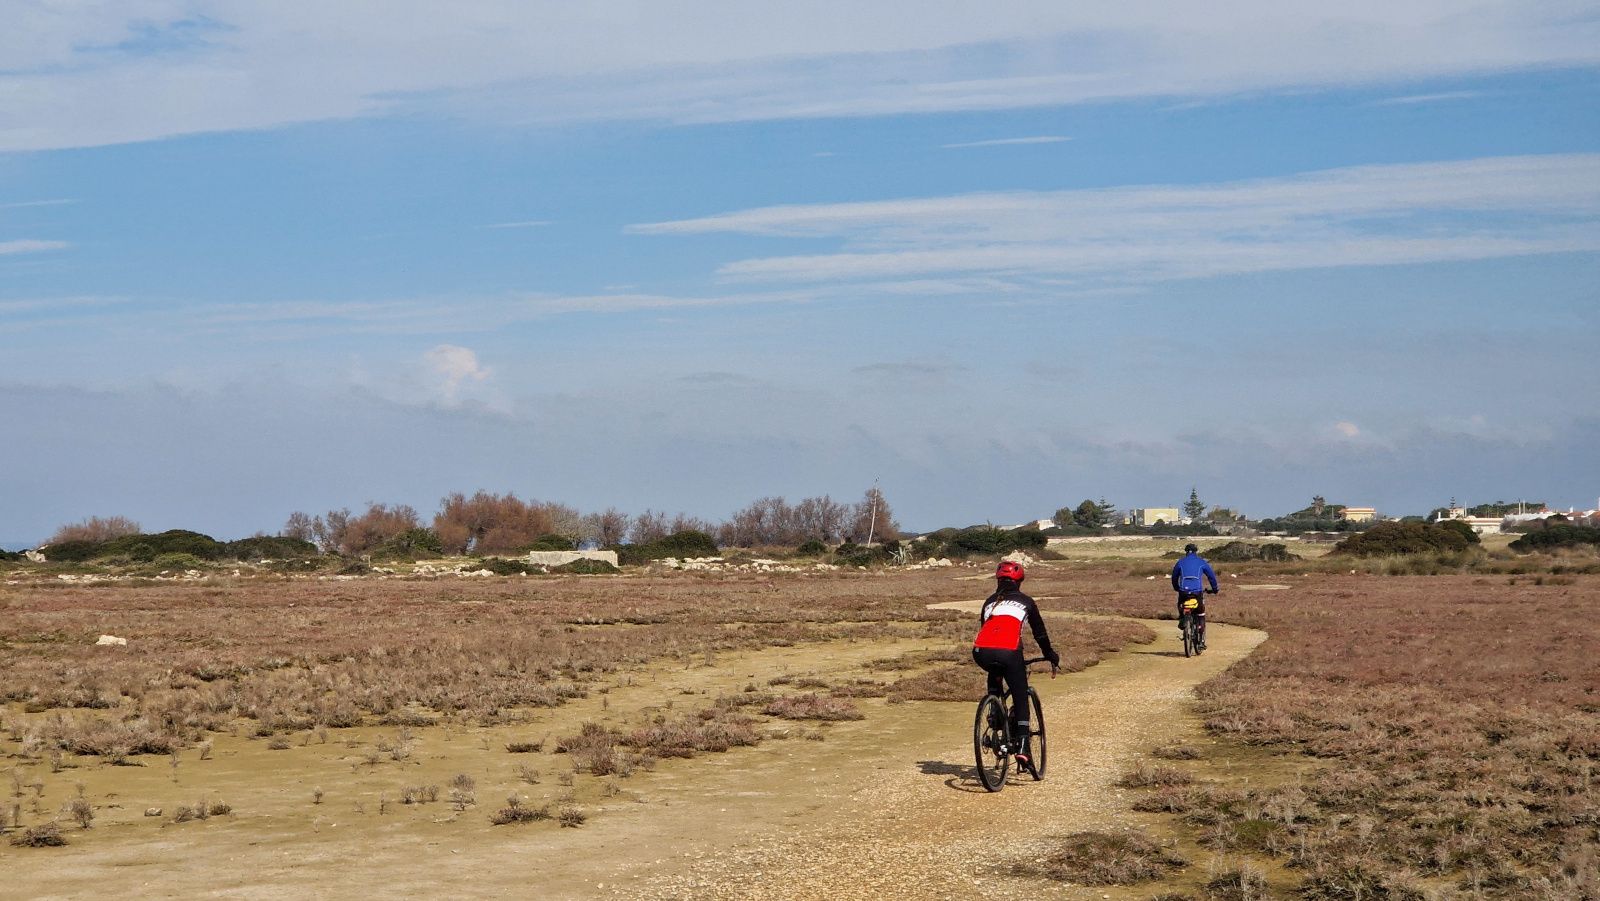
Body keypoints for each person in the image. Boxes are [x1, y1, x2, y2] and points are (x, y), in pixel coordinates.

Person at [972, 560, 1059, 775]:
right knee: (1020, 694)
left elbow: (986, 630)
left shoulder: (989, 602)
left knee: (995, 671)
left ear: (998, 580)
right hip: (1009, 652)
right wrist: (1050, 654)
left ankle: (994, 711)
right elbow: (1040, 634)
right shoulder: (1026, 602)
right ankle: (1022, 746)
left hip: (981, 652)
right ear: (1019, 582)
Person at [1170, 542, 1219, 648]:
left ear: (1186, 552)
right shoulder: (1201, 562)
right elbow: (1211, 577)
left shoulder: (1180, 562)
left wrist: (1177, 588)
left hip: (1183, 592)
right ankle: (1201, 640)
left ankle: (1182, 618)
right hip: (1197, 592)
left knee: (1180, 604)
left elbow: (1174, 577)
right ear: (1196, 552)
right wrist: (1215, 589)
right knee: (1200, 613)